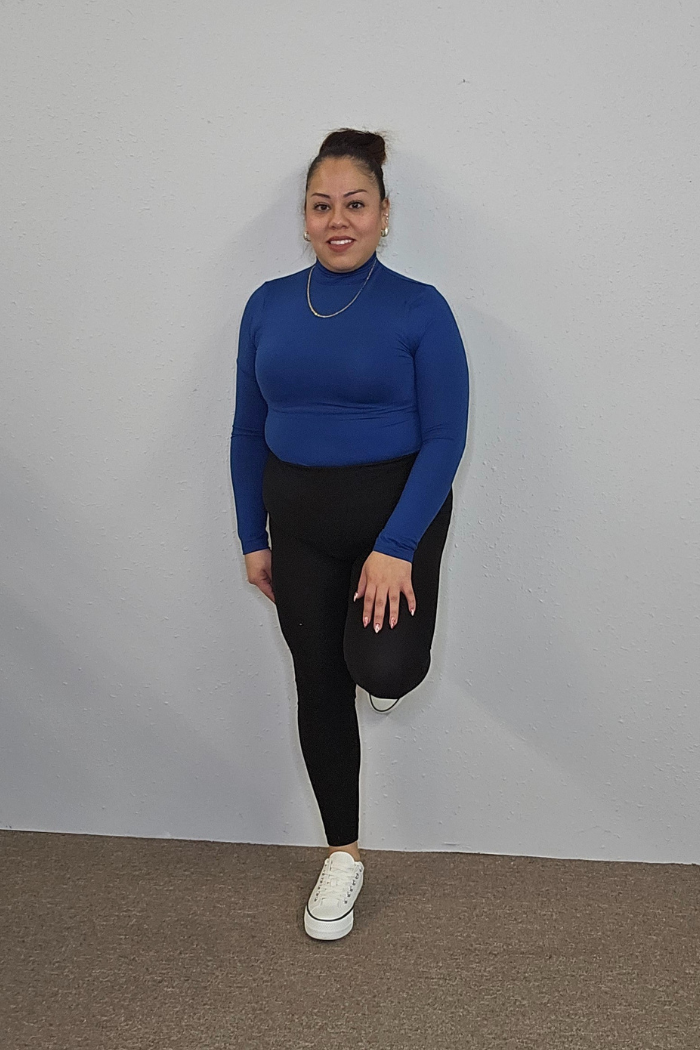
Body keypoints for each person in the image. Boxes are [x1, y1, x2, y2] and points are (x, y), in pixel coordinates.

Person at [229, 128, 469, 941]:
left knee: (385, 668)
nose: (339, 220)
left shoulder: (420, 307)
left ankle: (382, 662)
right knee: (318, 681)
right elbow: (244, 432)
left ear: (383, 213)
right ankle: (343, 852)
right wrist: (249, 534)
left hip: (394, 512)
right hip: (297, 520)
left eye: (355, 204)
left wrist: (397, 545)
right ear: (304, 217)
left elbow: (445, 437)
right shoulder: (265, 305)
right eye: (322, 205)